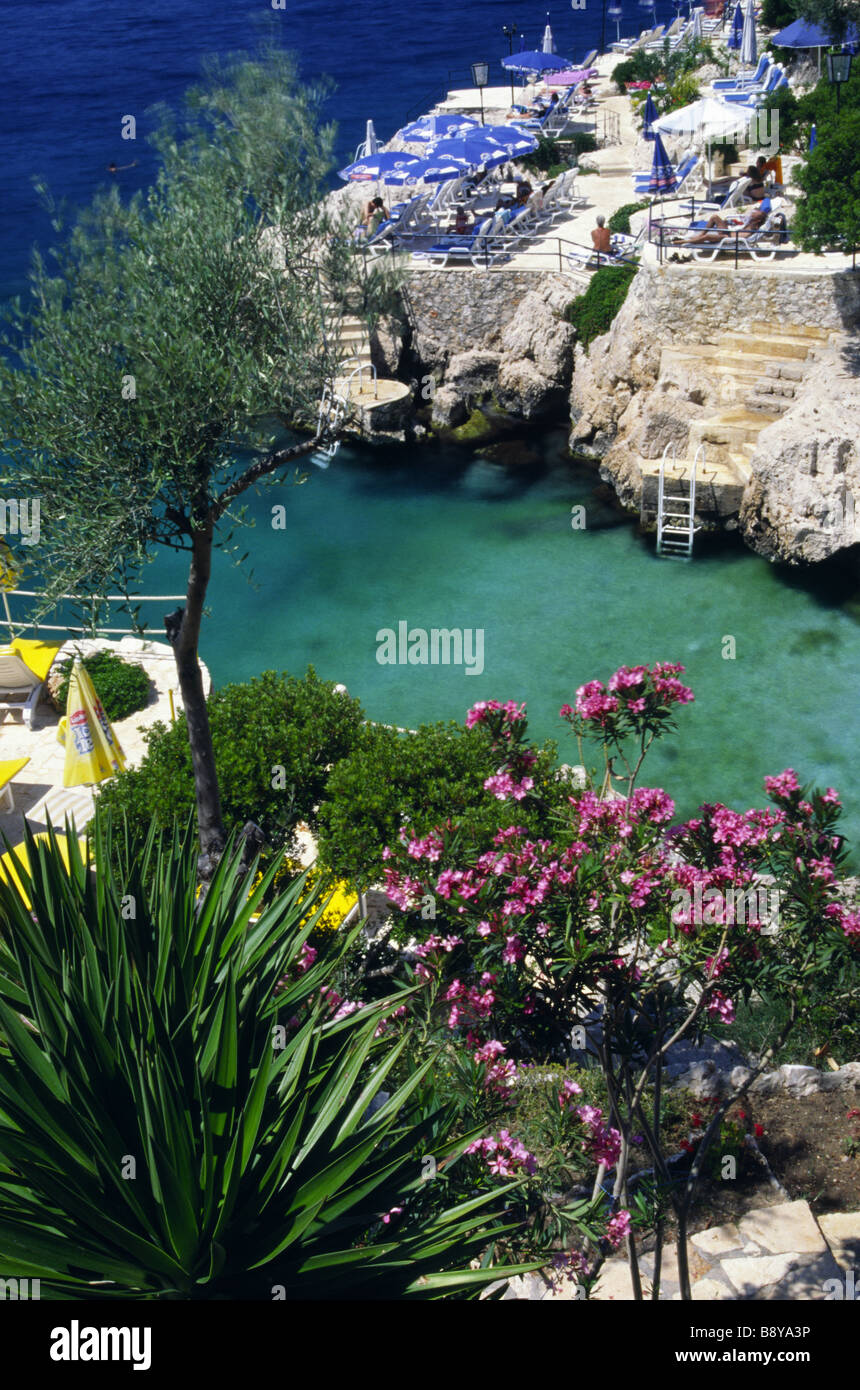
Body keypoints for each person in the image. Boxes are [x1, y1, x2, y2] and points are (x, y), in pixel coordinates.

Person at [681, 199, 770, 245]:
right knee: (714, 217)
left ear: (758, 220)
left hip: (728, 237)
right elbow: (742, 227)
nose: (753, 214)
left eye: (755, 214)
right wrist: (732, 224)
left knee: (707, 236)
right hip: (729, 233)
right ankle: (700, 235)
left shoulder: (754, 227)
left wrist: (733, 230)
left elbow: (743, 235)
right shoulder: (752, 222)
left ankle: (684, 242)